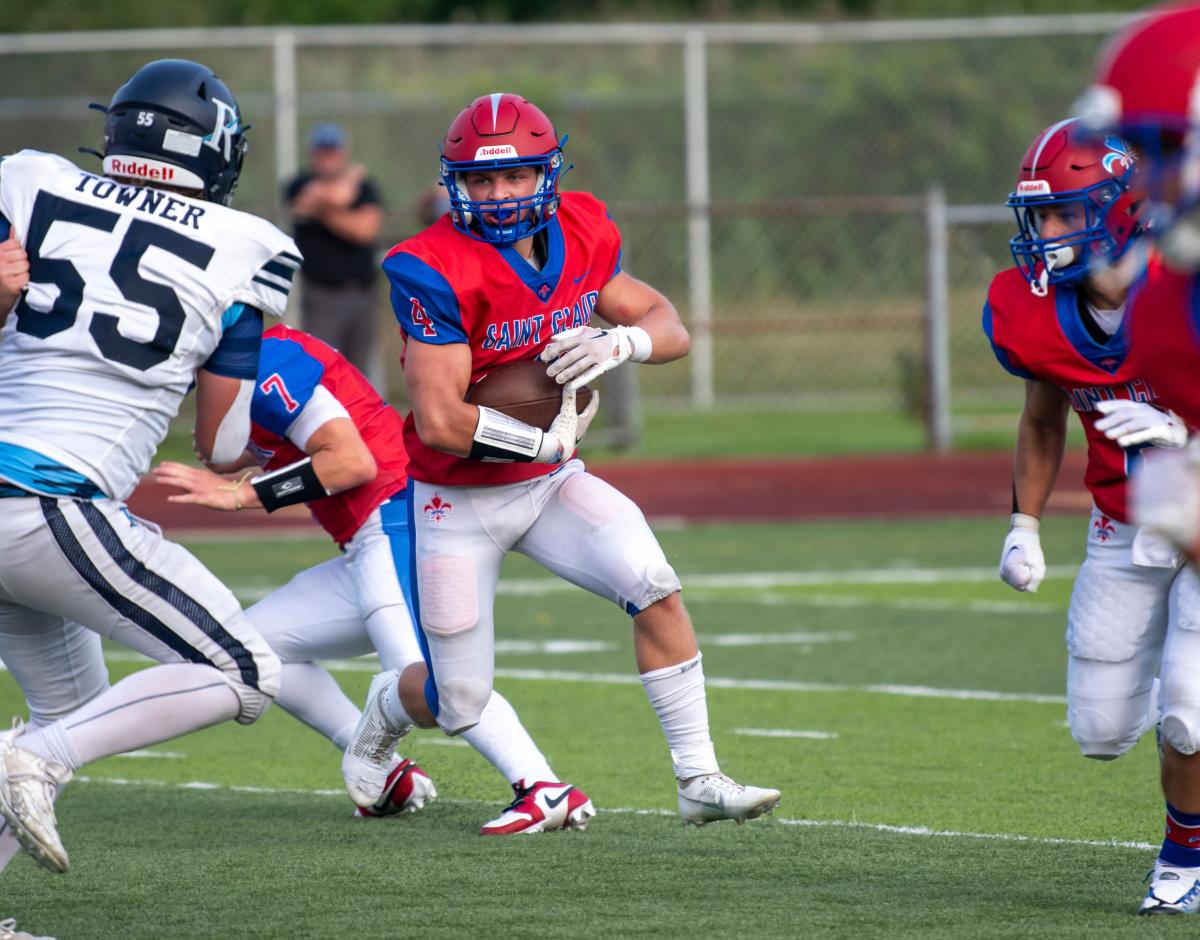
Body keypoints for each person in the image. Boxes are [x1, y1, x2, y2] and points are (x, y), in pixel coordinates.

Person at [342, 92, 780, 828]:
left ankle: (699, 779)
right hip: (459, 502)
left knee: (655, 585)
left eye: (514, 177)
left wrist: (621, 343)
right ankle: (385, 711)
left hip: (549, 486)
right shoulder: (433, 267)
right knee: (461, 700)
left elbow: (666, 324)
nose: (498, 194)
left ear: (546, 174)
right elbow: (445, 421)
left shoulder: (579, 228)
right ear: (455, 185)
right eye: (480, 180)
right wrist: (540, 439)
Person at [0, 58, 299, 878]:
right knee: (241, 671)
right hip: (50, 503)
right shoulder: (252, 248)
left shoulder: (27, 180)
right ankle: (25, 761)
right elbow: (224, 445)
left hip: (18, 497)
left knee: (67, 707)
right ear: (214, 147)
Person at [153, 323, 594, 833]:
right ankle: (386, 774)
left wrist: (242, 494)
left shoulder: (266, 358)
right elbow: (285, 447)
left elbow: (349, 462)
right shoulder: (247, 364)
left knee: (423, 676)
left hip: (394, 521)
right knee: (248, 650)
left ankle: (540, 786)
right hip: (367, 541)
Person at [984, 117, 1200, 915]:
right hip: (1123, 521)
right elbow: (1045, 416)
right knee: (1103, 731)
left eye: (1064, 213)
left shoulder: (1188, 290)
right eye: (1039, 215)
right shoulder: (1034, 308)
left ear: (1125, 208)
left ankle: (1185, 856)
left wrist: (1188, 433)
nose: (1045, 232)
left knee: (1187, 709)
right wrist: (1024, 525)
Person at [1069, 2, 1200, 914]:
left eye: (1166, 145)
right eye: (1141, 148)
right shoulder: (1163, 307)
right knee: (1176, 706)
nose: (1148, 178)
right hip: (1140, 509)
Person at [285, 125, 384, 381]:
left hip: (362, 293)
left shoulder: (367, 188)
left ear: (343, 152)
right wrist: (351, 179)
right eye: (322, 152)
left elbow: (364, 230)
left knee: (360, 372)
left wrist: (322, 210)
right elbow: (340, 196)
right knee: (322, 366)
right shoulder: (300, 184)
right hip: (323, 295)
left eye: (333, 151)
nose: (328, 158)